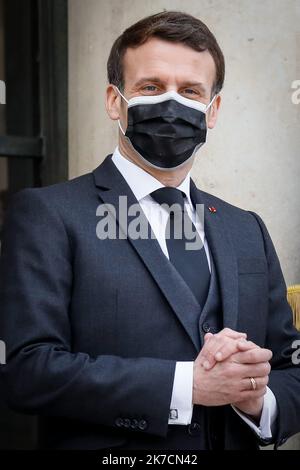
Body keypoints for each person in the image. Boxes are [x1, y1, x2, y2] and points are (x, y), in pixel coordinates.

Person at [0, 11, 300, 450]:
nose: (172, 104)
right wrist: (186, 386)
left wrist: (257, 398)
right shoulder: (48, 215)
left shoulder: (246, 228)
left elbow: (290, 364)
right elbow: (25, 369)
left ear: (212, 110)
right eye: (151, 87)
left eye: (191, 91)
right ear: (114, 100)